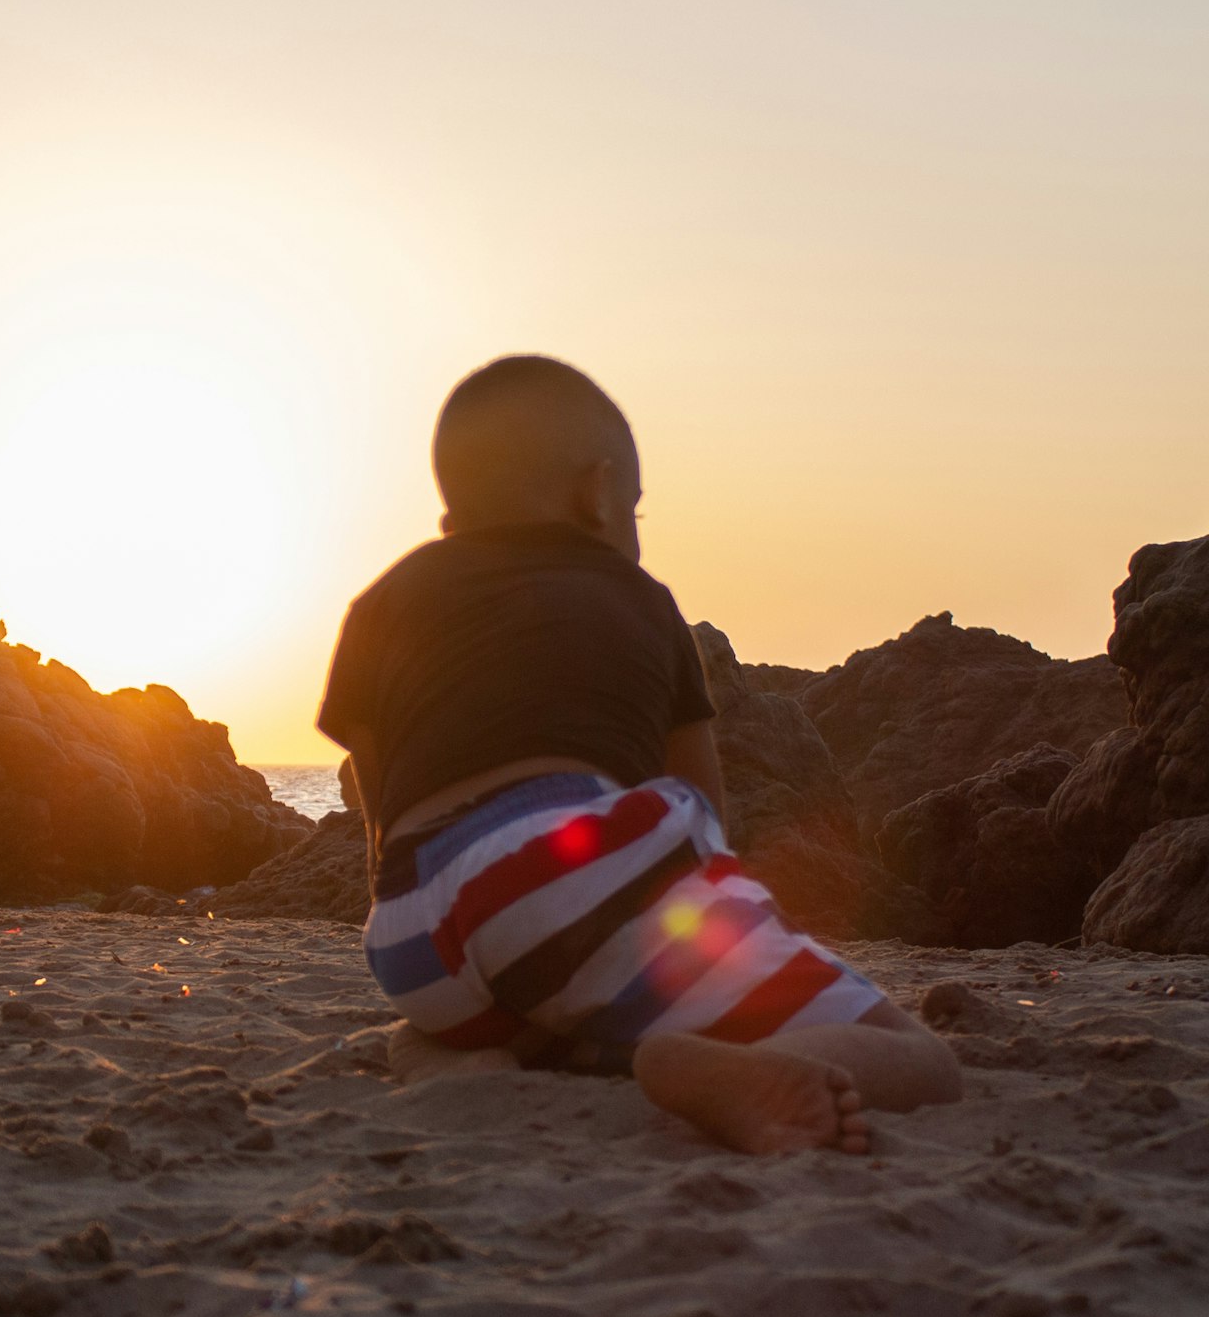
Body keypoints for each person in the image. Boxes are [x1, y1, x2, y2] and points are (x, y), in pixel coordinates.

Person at [317, 355, 961, 1155]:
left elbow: (376, 795)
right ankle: (744, 1065)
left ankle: (464, 1069)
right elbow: (700, 805)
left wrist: (442, 904)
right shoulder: (642, 600)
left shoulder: (382, 600)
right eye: (636, 511)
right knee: (922, 1059)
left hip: (414, 938)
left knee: (501, 1006)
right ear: (598, 493)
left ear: (453, 520)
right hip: (566, 881)